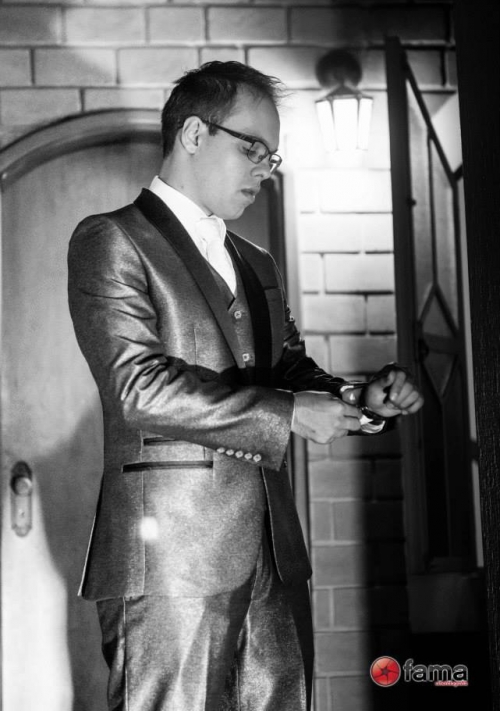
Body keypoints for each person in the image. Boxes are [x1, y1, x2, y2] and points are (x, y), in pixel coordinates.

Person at [67, 61, 423, 711]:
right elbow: (138, 388)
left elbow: (288, 369)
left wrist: (357, 399)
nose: (265, 169)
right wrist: (285, 414)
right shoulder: (112, 239)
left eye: (272, 156)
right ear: (194, 134)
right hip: (169, 560)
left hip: (273, 553)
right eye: (251, 148)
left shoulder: (255, 261)